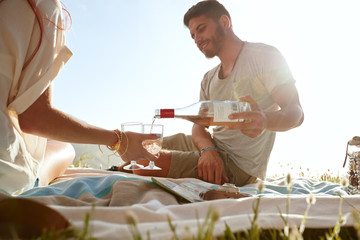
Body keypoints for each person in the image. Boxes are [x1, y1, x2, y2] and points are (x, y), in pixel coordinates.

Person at [131, 0, 304, 187]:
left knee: (143, 165)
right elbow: (199, 126)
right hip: (211, 147)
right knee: (139, 149)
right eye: (193, 35)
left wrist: (265, 120)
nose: (197, 39)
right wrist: (208, 149)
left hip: (237, 165)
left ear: (224, 22)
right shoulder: (208, 78)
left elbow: (296, 112)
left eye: (201, 29)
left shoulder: (265, 56)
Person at [0, 0, 158, 195]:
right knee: (65, 149)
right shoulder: (41, 7)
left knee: (54, 145)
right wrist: (119, 140)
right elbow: (35, 118)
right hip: (5, 176)